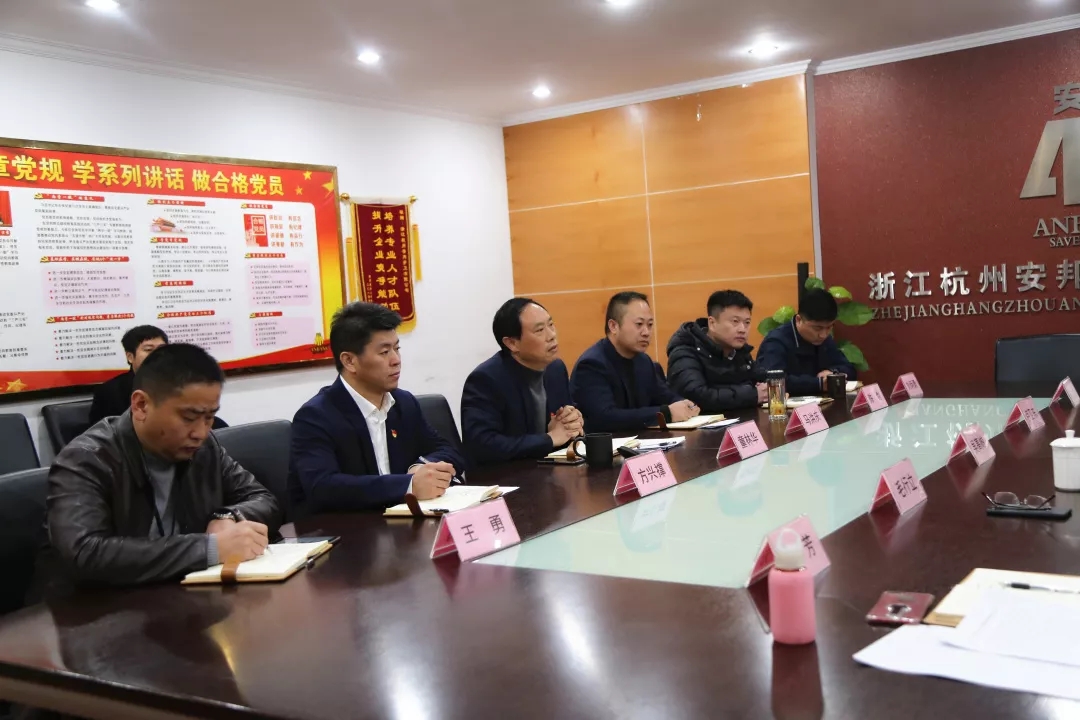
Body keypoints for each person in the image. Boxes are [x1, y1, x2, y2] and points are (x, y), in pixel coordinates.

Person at [37, 343, 281, 595]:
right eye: (189, 418)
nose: (200, 432)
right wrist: (209, 549)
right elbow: (84, 553)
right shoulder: (86, 459)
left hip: (179, 595)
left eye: (209, 417)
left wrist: (227, 516)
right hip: (92, 608)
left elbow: (262, 499)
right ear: (141, 405)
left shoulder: (205, 448)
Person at [288, 302, 466, 514]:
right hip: (347, 527)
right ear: (349, 361)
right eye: (384, 352)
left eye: (397, 349)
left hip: (402, 522)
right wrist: (408, 485)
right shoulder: (316, 416)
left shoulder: (403, 403)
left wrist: (419, 468)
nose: (396, 360)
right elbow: (323, 487)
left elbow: (448, 450)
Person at [461, 298, 583, 466]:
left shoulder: (555, 369)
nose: (551, 335)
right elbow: (483, 445)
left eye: (551, 325)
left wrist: (572, 422)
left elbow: (562, 428)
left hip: (548, 470)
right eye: (539, 330)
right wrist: (549, 438)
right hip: (504, 475)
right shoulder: (486, 380)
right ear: (512, 343)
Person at [570, 291, 698, 433]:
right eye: (639, 324)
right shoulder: (591, 365)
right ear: (613, 326)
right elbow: (605, 418)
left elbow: (664, 396)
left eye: (650, 325)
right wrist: (665, 413)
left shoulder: (643, 361)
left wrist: (684, 404)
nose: (646, 332)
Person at [666, 290, 768, 413]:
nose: (742, 329)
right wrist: (751, 395)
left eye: (747, 322)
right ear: (712, 323)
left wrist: (768, 388)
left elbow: (761, 378)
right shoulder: (686, 350)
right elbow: (697, 396)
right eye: (735, 321)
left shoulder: (739, 351)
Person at [757, 288, 858, 396]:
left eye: (829, 327)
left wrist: (833, 373)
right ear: (799, 320)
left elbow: (849, 368)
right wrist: (819, 383)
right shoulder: (776, 342)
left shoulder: (825, 340)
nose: (823, 334)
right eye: (817, 328)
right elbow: (774, 381)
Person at [89, 325, 169, 424]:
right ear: (130, 357)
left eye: (161, 349)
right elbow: (101, 430)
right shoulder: (110, 392)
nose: (157, 354)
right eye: (148, 349)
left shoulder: (179, 383)